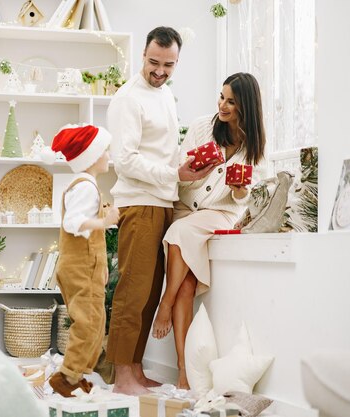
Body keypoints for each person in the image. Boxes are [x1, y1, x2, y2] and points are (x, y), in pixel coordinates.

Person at [106, 26, 214, 396]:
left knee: (152, 291)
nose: (160, 71)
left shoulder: (166, 95)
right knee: (132, 292)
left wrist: (189, 170)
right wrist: (173, 173)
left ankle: (135, 370)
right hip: (138, 203)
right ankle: (122, 377)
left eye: (169, 65)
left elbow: (165, 152)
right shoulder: (128, 99)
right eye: (154, 62)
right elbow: (125, 160)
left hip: (164, 202)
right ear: (143, 56)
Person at [151, 72, 268, 389]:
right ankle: (184, 371)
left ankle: (165, 303)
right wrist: (198, 170)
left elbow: (245, 199)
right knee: (186, 287)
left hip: (219, 213)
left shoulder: (254, 147)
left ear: (245, 106)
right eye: (221, 97)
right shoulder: (204, 126)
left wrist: (241, 189)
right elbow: (181, 170)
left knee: (178, 234)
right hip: (187, 208)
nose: (223, 105)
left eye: (231, 101)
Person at [47, 124, 120, 398]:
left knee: (95, 320)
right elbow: (73, 222)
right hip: (81, 266)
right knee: (88, 322)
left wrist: (100, 269)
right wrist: (105, 220)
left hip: (86, 266)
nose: (108, 156)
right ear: (91, 157)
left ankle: (78, 373)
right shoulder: (86, 187)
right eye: (104, 151)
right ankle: (67, 376)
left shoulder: (86, 186)